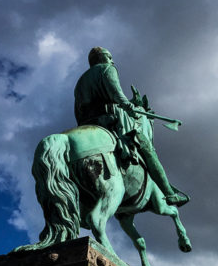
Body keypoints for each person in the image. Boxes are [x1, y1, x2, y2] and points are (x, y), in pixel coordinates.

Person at [74, 47, 188, 206]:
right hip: (111, 119)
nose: (112, 60)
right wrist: (128, 105)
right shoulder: (108, 69)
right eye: (110, 57)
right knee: (148, 150)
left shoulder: (80, 81)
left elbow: (77, 109)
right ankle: (170, 194)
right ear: (104, 57)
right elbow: (116, 93)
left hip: (87, 124)